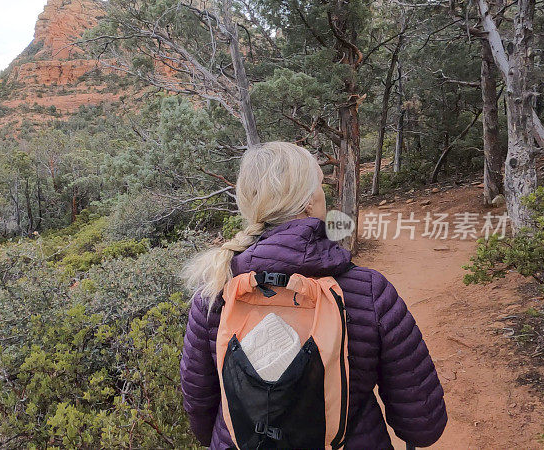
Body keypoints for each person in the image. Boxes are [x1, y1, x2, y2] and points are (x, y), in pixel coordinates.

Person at [179, 141, 447, 449]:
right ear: (307, 201)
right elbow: (424, 423)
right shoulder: (369, 290)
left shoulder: (213, 293)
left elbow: (199, 407)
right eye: (319, 185)